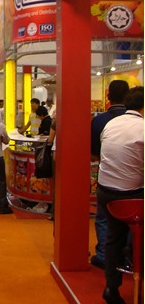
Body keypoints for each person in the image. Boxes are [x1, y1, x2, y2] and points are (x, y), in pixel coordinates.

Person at [97, 86, 144, 304]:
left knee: (113, 238)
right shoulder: (142, 128)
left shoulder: (111, 123)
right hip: (131, 197)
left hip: (105, 192)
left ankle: (111, 286)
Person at [90, 80, 130, 270]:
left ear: (108, 96)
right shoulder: (138, 121)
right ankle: (127, 257)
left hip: (106, 176)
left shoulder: (99, 121)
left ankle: (103, 256)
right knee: (130, 219)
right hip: (134, 180)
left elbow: (93, 153)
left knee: (104, 217)